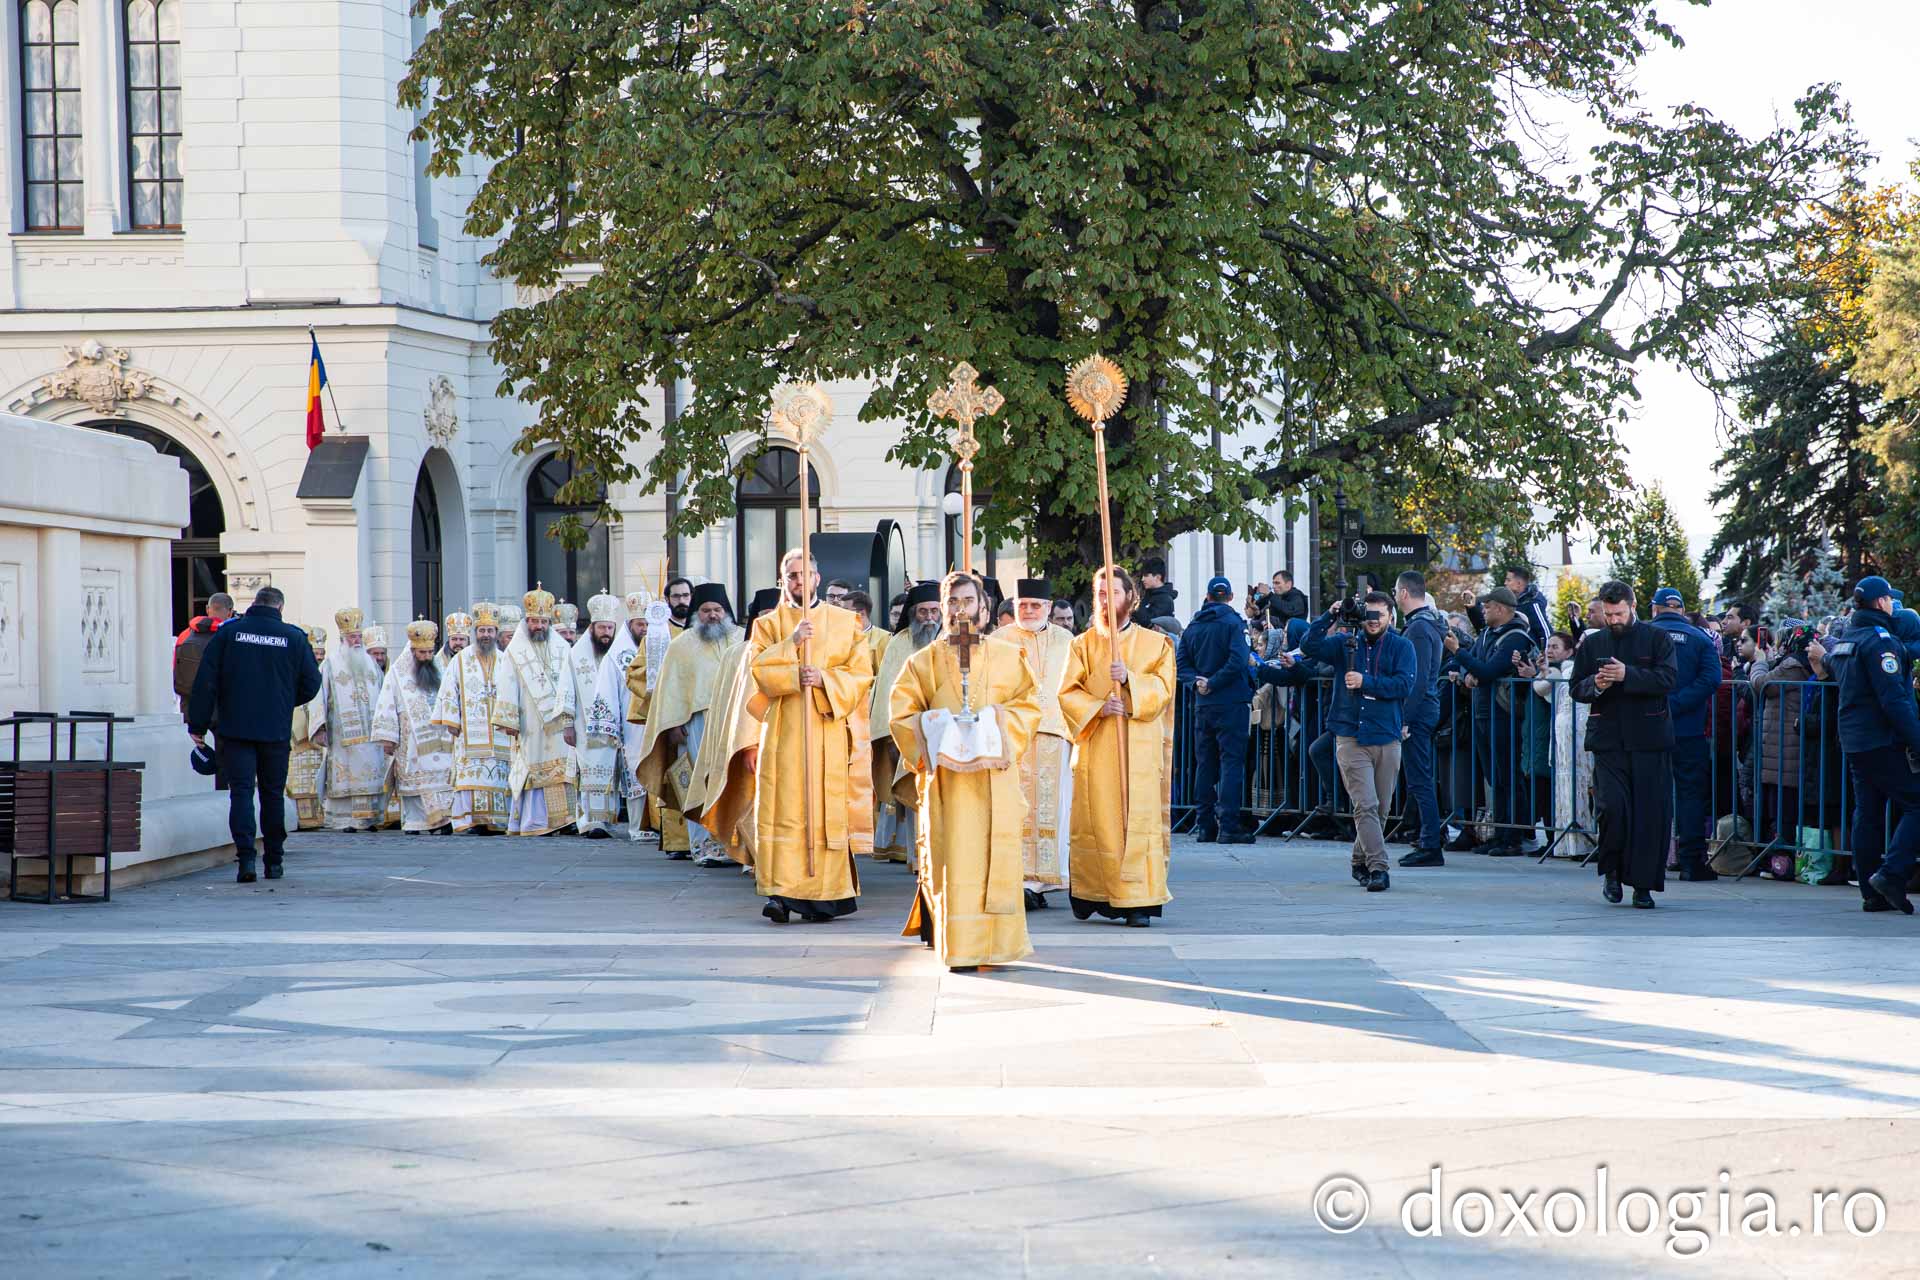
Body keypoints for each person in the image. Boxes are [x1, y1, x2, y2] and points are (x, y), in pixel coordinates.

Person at [889, 571, 1041, 969]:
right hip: (949, 785)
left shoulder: (1009, 657)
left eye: (968, 601)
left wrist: (993, 722)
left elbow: (1028, 707)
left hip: (994, 781)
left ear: (984, 608)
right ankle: (960, 946)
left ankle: (999, 946)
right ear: (943, 608)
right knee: (954, 860)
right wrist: (939, 726)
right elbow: (902, 716)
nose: (961, 610)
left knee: (996, 858)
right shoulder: (921, 663)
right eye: (953, 602)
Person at [749, 549, 876, 922]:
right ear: (782, 580)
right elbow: (757, 670)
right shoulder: (768, 624)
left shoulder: (846, 622)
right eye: (791, 575)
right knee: (784, 808)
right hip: (784, 732)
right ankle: (780, 892)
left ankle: (825, 894)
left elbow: (861, 673)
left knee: (823, 810)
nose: (799, 581)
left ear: (817, 578)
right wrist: (791, 646)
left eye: (805, 574)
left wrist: (823, 679)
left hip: (825, 729)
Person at [1057, 567, 1176, 926]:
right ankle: (1093, 892)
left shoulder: (1156, 644)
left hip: (1139, 747)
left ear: (1131, 597)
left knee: (1137, 820)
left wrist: (1130, 682)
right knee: (1099, 820)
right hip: (1099, 747)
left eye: (1115, 593)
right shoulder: (1081, 645)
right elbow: (1067, 693)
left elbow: (1164, 688)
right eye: (1101, 594)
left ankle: (1138, 901)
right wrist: (1098, 707)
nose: (1107, 601)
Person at [185, 586, 323, 883]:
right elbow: (312, 683)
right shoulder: (293, 638)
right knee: (272, 795)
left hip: (236, 728)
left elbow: (205, 681)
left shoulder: (229, 633)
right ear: (280, 607)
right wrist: (284, 700)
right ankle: (274, 860)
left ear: (254, 603)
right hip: (275, 729)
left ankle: (246, 859)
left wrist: (197, 725)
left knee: (242, 794)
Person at [1571, 580, 1678, 908]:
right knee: (1612, 809)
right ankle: (1612, 872)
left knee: (1648, 815)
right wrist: (1597, 683)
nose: (1613, 620)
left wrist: (1627, 675)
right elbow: (1577, 687)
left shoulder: (1657, 638)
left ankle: (1643, 886)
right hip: (1608, 741)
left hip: (1649, 740)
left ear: (1633, 607)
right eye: (1608, 614)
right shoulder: (1593, 643)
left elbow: (1668, 679)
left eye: (1618, 613)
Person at [1301, 592, 1415, 890]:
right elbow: (1309, 645)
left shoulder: (1402, 646)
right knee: (1365, 805)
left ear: (1391, 616)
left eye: (1379, 615)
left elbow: (1404, 684)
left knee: (1380, 809)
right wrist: (1330, 615)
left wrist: (1367, 683)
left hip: (1387, 735)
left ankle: (1358, 861)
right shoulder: (1344, 643)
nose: (1373, 621)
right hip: (1350, 734)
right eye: (1369, 615)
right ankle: (1379, 868)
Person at [1828, 576, 1920, 915]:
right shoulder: (1881, 641)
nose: (1893, 604)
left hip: (1855, 740)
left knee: (1867, 812)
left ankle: (1871, 893)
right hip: (1881, 739)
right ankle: (1891, 876)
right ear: (1881, 602)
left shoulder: (1848, 639)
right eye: (1890, 599)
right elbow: (1894, 700)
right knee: (1917, 803)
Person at [635, 585, 740, 866]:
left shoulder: (741, 638)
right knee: (699, 781)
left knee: (734, 780)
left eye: (717, 610)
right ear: (696, 613)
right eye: (706, 610)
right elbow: (669, 689)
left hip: (735, 720)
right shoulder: (681, 645)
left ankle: (735, 846)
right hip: (697, 722)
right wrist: (672, 725)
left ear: (726, 612)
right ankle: (704, 847)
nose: (712, 615)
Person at [685, 588, 779, 866]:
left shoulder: (800, 649)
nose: (770, 621)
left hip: (784, 731)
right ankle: (743, 852)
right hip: (739, 733)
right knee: (745, 793)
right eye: (765, 616)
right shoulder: (738, 653)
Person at [999, 578, 1077, 905]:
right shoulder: (999, 640)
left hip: (1055, 733)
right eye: (1023, 605)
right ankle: (1018, 880)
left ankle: (1044, 881)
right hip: (1013, 732)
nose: (1028, 611)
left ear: (1048, 607)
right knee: (1016, 807)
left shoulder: (1066, 640)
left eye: (1035, 605)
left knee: (1053, 808)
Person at [1444, 585, 1536, 855]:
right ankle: (1500, 833)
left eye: (1486, 606)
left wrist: (1457, 652)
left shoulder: (1515, 637)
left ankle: (1514, 836)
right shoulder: (1487, 633)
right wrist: (1467, 673)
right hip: (1483, 712)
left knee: (1508, 775)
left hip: (1503, 714)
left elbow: (1488, 670)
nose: (1483, 610)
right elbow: (1474, 664)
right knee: (1495, 777)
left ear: (1501, 608)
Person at [1647, 587, 1723, 880]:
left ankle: (1649, 861)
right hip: (1689, 729)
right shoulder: (1700, 638)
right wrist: (1678, 704)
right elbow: (1712, 679)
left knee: (1649, 794)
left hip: (1648, 727)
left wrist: (1659, 705)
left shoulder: (1641, 635)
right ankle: (1692, 862)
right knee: (1691, 795)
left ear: (1655, 609)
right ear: (1681, 609)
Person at [491, 586, 579, 836]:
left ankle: (565, 819)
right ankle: (536, 821)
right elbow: (507, 684)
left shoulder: (562, 647)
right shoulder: (515, 650)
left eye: (543, 621)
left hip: (559, 721)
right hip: (529, 721)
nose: (539, 626)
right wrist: (508, 720)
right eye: (534, 621)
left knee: (563, 768)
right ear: (527, 621)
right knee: (534, 767)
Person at [1176, 576, 1255, 845]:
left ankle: (1204, 825)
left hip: (1203, 703)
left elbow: (1181, 664)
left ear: (1208, 597)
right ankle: (1228, 826)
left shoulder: (1193, 626)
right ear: (1230, 597)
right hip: (1232, 701)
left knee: (1205, 764)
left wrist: (1198, 683)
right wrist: (1214, 682)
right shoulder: (1235, 624)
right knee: (1231, 763)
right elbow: (1239, 660)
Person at [870, 581, 943, 864]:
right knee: (915, 793)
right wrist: (890, 733)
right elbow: (888, 690)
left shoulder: (952, 639)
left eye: (934, 611)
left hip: (945, 728)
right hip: (911, 729)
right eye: (923, 612)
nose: (929, 618)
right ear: (913, 613)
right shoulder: (899, 642)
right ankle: (918, 859)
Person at [430, 602, 514, 834]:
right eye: (482, 630)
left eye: (490, 631)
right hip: (468, 732)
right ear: (475, 632)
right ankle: (469, 820)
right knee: (471, 775)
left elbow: (513, 692)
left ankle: (496, 820)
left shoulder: (505, 660)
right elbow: (449, 691)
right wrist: (451, 720)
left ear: (496, 633)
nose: (486, 635)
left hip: (499, 731)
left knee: (498, 773)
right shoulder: (460, 660)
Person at [371, 619, 455, 833]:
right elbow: (386, 704)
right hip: (410, 740)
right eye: (422, 653)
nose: (427, 657)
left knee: (440, 778)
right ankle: (414, 822)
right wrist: (388, 737)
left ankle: (442, 819)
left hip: (440, 738)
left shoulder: (440, 669)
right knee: (415, 780)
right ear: (412, 651)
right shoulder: (397, 674)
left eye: (430, 652)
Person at [312, 607, 388, 830]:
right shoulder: (330, 664)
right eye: (352, 637)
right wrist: (320, 727)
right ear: (343, 638)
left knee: (371, 774)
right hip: (342, 736)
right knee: (346, 777)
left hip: (371, 735)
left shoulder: (371, 664)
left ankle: (368, 818)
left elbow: (384, 694)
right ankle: (345, 819)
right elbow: (318, 696)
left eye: (358, 636)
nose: (356, 641)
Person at [1394, 571, 1448, 867]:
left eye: (1395, 591)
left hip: (1419, 711)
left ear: (1404, 593)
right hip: (1424, 708)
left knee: (1420, 779)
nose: (1395, 596)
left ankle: (1430, 844)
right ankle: (1428, 839)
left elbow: (1417, 679)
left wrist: (1404, 718)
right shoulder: (1425, 624)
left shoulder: (1418, 628)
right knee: (1419, 778)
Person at [562, 593, 623, 837]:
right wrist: (567, 723)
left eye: (610, 628)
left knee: (610, 773)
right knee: (588, 773)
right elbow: (566, 689)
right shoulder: (576, 654)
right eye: (602, 628)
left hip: (613, 727)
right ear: (592, 628)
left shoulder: (617, 653)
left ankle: (605, 820)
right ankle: (589, 821)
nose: (606, 633)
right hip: (584, 726)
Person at [288, 625, 329, 831]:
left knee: (315, 777)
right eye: (316, 653)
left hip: (316, 737)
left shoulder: (325, 671)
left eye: (322, 653)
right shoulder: (296, 669)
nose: (319, 657)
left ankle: (316, 816)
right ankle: (296, 817)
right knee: (297, 777)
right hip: (297, 736)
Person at [173, 591, 235, 716]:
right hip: (219, 706)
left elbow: (175, 668)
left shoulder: (185, 635)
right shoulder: (230, 636)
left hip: (189, 704)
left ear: (207, 609)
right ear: (230, 612)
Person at [1504, 565, 1553, 647]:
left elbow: (1545, 631)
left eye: (1508, 580)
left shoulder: (1533, 604)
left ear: (1519, 583)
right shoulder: (1514, 602)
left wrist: (1546, 653)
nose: (1505, 583)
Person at [1134, 556, 1179, 633]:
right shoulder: (1148, 594)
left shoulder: (1165, 600)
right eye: (1142, 576)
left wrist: (1135, 606)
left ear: (1158, 577)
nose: (1142, 579)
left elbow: (1147, 622)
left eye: (1146, 575)